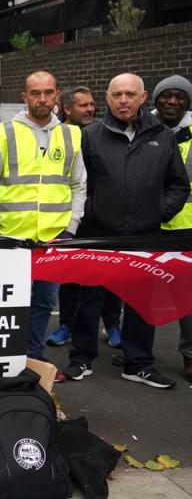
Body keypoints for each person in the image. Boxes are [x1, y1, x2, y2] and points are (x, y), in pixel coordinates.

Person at [63, 73, 189, 389]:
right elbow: (78, 183)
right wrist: (92, 211)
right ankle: (80, 360)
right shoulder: (90, 135)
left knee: (141, 301)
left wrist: (158, 213)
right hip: (98, 232)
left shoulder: (162, 135)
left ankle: (139, 364)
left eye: (130, 94)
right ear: (107, 97)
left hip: (143, 234)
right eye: (117, 94)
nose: (124, 100)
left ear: (143, 96)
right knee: (88, 301)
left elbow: (178, 184)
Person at [0, 71, 86, 363]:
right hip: (13, 237)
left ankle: (33, 358)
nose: (42, 99)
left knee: (43, 302)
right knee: (11, 303)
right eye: (35, 93)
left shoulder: (71, 134)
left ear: (57, 95)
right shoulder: (4, 132)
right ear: (24, 97)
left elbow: (78, 184)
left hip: (55, 237)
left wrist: (71, 227)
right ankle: (8, 359)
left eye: (48, 92)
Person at [47, 86, 120, 349]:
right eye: (83, 105)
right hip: (69, 218)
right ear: (67, 108)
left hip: (102, 217)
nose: (90, 109)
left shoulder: (104, 134)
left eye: (91, 104)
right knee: (71, 277)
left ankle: (111, 324)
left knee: (108, 274)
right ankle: (66, 324)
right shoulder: (58, 135)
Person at [149, 75, 192, 383]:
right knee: (141, 291)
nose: (172, 101)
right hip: (147, 225)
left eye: (180, 96)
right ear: (156, 100)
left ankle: (190, 355)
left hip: (186, 227)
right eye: (166, 96)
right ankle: (138, 351)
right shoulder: (143, 131)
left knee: (187, 297)